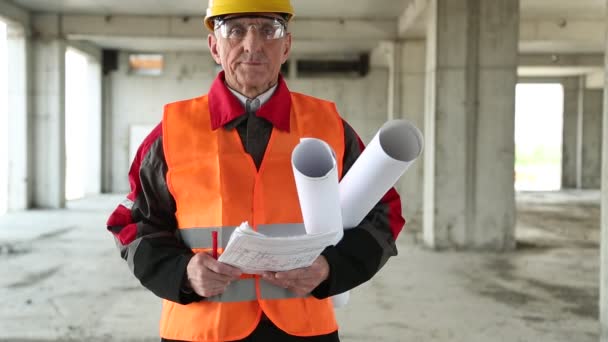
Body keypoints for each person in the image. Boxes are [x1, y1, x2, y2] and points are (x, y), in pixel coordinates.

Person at [106, 0, 405, 341]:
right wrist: (183, 272)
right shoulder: (172, 133)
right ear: (214, 47)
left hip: (304, 329)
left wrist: (330, 269)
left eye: (268, 30)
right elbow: (131, 224)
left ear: (286, 45)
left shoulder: (329, 127)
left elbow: (384, 212)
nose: (252, 44)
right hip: (202, 331)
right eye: (235, 30)